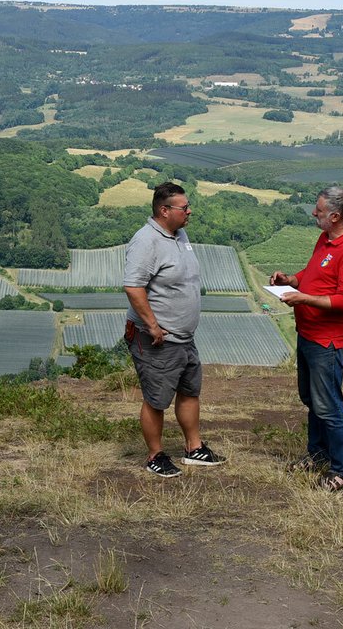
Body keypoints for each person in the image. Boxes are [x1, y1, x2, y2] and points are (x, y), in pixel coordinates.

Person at [124, 182, 226, 477]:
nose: (189, 211)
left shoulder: (179, 234)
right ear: (164, 210)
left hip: (184, 337)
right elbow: (133, 287)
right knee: (156, 399)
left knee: (189, 391)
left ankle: (194, 449)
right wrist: (153, 326)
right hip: (156, 338)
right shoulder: (146, 241)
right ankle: (155, 455)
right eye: (184, 207)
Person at [269, 186, 343, 492]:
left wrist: (304, 299)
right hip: (309, 334)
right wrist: (291, 281)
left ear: (335, 216)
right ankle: (318, 454)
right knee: (312, 400)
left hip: (328, 341)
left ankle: (342, 469)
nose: (315, 213)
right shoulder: (326, 239)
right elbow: (313, 273)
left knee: (329, 405)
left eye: (320, 211)